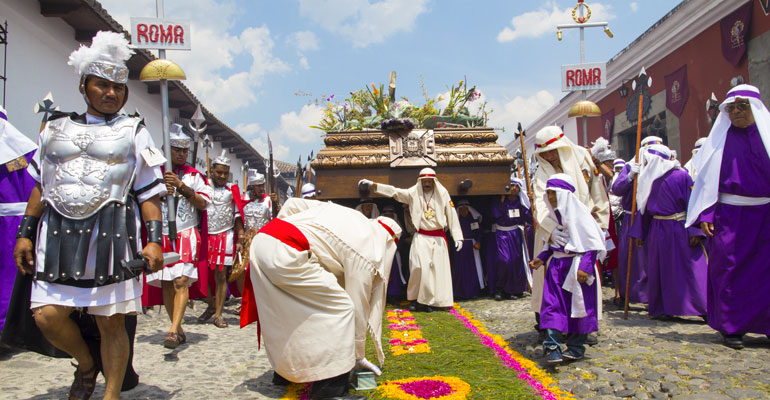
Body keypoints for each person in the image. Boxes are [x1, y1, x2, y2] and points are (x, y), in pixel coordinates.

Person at [6, 31, 165, 400]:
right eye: (102, 85)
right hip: (57, 237)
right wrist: (25, 233)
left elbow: (148, 192)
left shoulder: (135, 132)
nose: (111, 93)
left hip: (111, 238)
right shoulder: (54, 131)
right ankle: (85, 363)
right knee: (47, 315)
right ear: (83, 85)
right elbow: (38, 187)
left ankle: (110, 395)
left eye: (118, 88)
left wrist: (155, 240)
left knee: (112, 323)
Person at [241, 198, 400, 399]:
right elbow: (357, 304)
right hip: (288, 250)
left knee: (292, 310)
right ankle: (330, 391)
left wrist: (284, 232)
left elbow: (291, 204)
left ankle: (284, 373)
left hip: (265, 240)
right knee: (342, 309)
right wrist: (357, 354)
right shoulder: (368, 248)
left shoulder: (348, 215)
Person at [687, 84, 770, 349]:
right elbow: (706, 181)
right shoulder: (721, 141)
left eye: (742, 107)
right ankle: (731, 328)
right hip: (730, 215)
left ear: (755, 108)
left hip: (766, 214)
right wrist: (707, 213)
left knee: (765, 272)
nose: (736, 112)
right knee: (730, 269)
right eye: (731, 108)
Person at [530, 126, 609, 332]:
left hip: (583, 230)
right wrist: (550, 229)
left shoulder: (583, 158)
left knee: (584, 278)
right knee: (553, 283)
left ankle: (585, 327)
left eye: (552, 151)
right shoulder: (541, 171)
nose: (549, 156)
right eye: (544, 153)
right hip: (554, 233)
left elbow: (597, 194)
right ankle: (551, 325)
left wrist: (600, 226)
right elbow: (540, 202)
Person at [145, 124, 213, 349]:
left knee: (180, 280)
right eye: (176, 149)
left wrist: (182, 186)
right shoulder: (154, 173)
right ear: (168, 149)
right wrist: (163, 190)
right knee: (166, 283)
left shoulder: (195, 177)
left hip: (185, 232)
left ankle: (173, 329)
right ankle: (178, 327)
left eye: (184, 151)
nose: (181, 154)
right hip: (162, 232)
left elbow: (203, 203)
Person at [359, 168, 463, 312]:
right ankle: (416, 300)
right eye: (424, 181)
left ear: (434, 181)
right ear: (420, 181)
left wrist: (457, 236)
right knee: (418, 269)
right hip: (421, 237)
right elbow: (394, 192)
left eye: (429, 181)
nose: (426, 183)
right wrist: (374, 185)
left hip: (438, 238)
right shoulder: (413, 193)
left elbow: (451, 214)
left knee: (438, 271)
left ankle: (437, 301)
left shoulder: (443, 193)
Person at [529, 174, 605, 363]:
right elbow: (552, 244)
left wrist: (586, 268)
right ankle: (552, 345)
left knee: (578, 308)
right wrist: (541, 258)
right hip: (556, 268)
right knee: (552, 305)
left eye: (553, 193)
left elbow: (592, 243)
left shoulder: (581, 215)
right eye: (548, 193)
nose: (550, 197)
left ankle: (576, 346)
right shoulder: (553, 217)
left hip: (577, 268)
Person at [630, 144, 707, 319]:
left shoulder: (682, 177)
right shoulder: (647, 180)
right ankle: (662, 308)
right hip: (657, 230)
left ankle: (702, 307)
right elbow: (643, 209)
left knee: (690, 268)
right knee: (660, 269)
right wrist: (640, 233)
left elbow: (692, 203)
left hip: (679, 228)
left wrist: (695, 230)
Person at [610, 136, 664, 307]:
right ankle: (634, 294)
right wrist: (630, 177)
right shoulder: (629, 167)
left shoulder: (664, 166)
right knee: (633, 258)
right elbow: (616, 189)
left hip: (656, 219)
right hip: (632, 217)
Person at [0, 106, 37, 336]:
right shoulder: (23, 150)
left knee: (8, 278)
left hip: (12, 223)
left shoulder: (19, 152)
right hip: (16, 223)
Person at [198, 150, 245, 328]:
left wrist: (240, 238)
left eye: (225, 173)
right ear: (212, 171)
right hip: (205, 235)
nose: (222, 176)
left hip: (225, 235)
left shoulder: (231, 190)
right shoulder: (203, 187)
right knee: (203, 274)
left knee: (221, 275)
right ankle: (210, 304)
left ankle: (218, 314)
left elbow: (237, 216)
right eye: (219, 172)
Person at [486, 177, 532, 300]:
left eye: (516, 187)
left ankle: (514, 289)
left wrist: (531, 203)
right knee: (504, 260)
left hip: (515, 234)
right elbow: (495, 215)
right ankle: (499, 288)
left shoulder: (520, 202)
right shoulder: (500, 201)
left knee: (515, 261)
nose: (514, 189)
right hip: (502, 233)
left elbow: (528, 217)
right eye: (511, 186)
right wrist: (501, 203)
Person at [453, 199, 485, 299]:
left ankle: (473, 292)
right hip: (460, 246)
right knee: (459, 270)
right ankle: (460, 292)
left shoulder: (473, 219)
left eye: (465, 209)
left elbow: (478, 232)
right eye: (461, 210)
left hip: (472, 247)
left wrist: (478, 241)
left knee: (473, 270)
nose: (463, 211)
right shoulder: (456, 220)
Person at [382, 204, 409, 303]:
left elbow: (401, 238)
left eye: (390, 214)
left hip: (394, 254)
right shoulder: (380, 225)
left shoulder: (397, 226)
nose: (389, 216)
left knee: (395, 273)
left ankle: (394, 295)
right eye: (386, 214)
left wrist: (394, 247)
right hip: (382, 254)